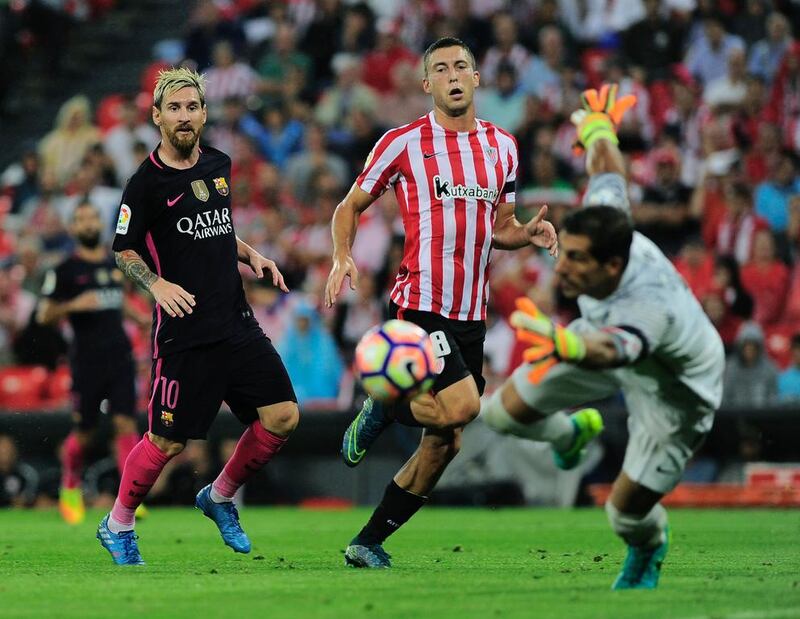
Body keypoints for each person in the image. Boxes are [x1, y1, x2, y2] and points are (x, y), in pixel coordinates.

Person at [479, 84, 725, 590]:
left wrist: (572, 346)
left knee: (624, 514)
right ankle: (571, 434)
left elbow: (619, 348)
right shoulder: (606, 221)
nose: (561, 267)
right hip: (600, 337)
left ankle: (650, 545)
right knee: (501, 413)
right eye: (563, 252)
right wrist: (597, 128)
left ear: (612, 265)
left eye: (576, 259)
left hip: (675, 388)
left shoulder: (648, 302)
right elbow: (608, 170)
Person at [324, 37, 558, 568]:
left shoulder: (504, 146)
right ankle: (382, 403)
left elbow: (500, 227)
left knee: (446, 442)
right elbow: (350, 203)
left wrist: (529, 234)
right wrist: (342, 256)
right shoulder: (403, 142)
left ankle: (368, 540)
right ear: (427, 84)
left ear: (475, 78)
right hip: (419, 302)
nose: (453, 75)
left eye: (461, 66)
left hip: (470, 313)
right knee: (466, 407)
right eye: (440, 68)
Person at [96, 68, 299, 566]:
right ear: (157, 116)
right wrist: (157, 284)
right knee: (167, 440)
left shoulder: (218, 163)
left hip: (235, 321)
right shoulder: (143, 184)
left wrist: (250, 254)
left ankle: (220, 495)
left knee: (283, 417)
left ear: (204, 114)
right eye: (175, 108)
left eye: (192, 107)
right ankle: (117, 523)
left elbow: (217, 230)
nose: (185, 117)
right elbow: (122, 250)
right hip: (184, 334)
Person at [37, 201, 146, 525]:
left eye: (92, 217)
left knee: (126, 424)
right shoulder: (64, 270)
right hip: (87, 361)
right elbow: (43, 315)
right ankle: (70, 485)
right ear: (73, 228)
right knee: (85, 432)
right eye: (81, 219)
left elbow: (115, 299)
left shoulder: (115, 263)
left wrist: (138, 316)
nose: (88, 224)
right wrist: (73, 304)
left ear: (100, 222)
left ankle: (129, 498)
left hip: (120, 356)